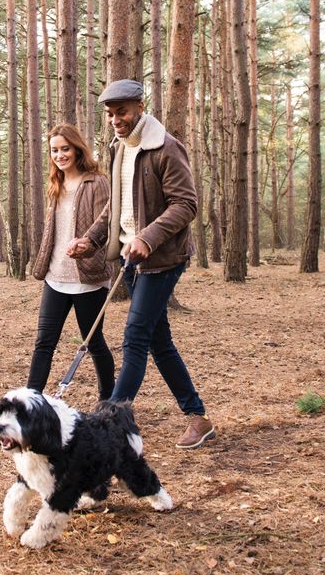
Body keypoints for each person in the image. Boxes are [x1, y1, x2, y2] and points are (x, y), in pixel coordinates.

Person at [68, 79, 216, 449]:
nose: (116, 120)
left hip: (163, 258)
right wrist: (91, 239)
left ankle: (110, 421)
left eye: (122, 112)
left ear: (139, 106)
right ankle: (198, 417)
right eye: (111, 114)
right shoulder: (120, 149)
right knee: (158, 341)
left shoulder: (166, 148)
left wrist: (148, 237)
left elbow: (186, 205)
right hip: (130, 258)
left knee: (135, 337)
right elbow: (114, 207)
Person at [26, 123, 116, 400]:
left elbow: (107, 225)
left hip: (87, 278)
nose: (60, 155)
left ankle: (108, 401)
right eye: (54, 150)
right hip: (55, 276)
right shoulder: (56, 183)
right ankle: (31, 401)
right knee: (44, 343)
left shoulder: (96, 182)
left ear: (77, 150)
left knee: (94, 343)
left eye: (65, 149)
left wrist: (87, 245)